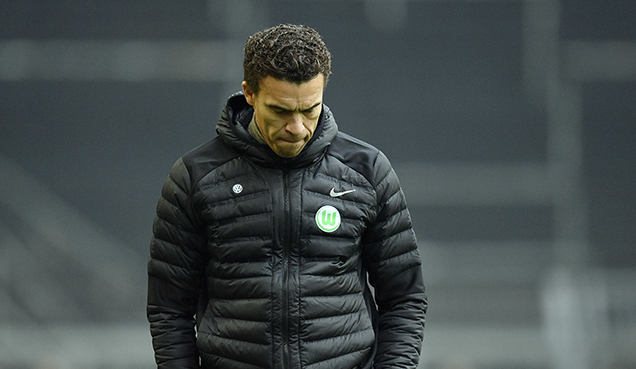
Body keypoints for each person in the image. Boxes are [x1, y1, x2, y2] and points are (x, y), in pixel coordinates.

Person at [147, 24, 427, 369]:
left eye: (310, 109)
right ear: (249, 93)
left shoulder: (368, 171)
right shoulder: (195, 177)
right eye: (280, 111)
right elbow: (169, 308)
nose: (297, 128)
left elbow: (404, 297)